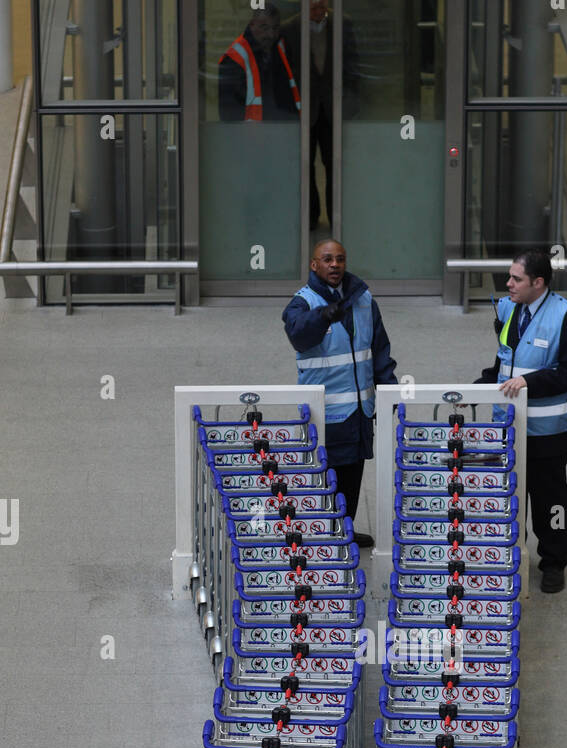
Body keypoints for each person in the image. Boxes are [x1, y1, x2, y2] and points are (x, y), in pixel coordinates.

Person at [475, 249, 567, 594]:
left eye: (516, 279)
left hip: (547, 431)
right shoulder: (509, 308)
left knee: (550, 499)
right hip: (507, 427)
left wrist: (530, 382)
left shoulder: (566, 316)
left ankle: (553, 562)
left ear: (538, 283)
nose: (508, 284)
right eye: (509, 277)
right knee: (509, 495)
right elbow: (503, 364)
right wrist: (475, 388)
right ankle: (509, 555)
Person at [282, 239, 397, 547]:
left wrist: (389, 391)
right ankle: (324, 534)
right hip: (326, 410)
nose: (335, 264)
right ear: (314, 265)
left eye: (340, 259)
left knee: (352, 473)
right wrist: (323, 317)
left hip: (359, 409)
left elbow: (379, 348)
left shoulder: (363, 299)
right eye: (328, 259)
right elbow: (298, 336)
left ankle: (343, 529)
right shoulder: (303, 302)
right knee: (324, 476)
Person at [283, 2, 361, 229]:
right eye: (313, 7)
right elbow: (285, 68)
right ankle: (311, 217)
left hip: (332, 107)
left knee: (334, 164)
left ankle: (336, 216)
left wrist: (350, 103)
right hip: (302, 108)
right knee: (304, 166)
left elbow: (352, 62)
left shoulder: (342, 23)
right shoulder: (290, 28)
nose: (318, 12)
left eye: (321, 7)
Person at [218, 3, 300, 123]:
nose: (271, 34)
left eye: (275, 28)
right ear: (251, 24)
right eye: (264, 27)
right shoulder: (236, 57)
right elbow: (229, 113)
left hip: (283, 129)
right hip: (251, 136)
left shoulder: (280, 46)